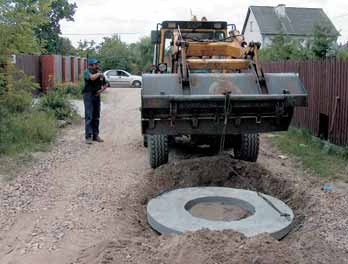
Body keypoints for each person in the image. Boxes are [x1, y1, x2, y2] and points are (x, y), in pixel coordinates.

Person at [83, 58, 107, 144]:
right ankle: (88, 137)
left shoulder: (100, 73)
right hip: (88, 95)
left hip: (97, 96)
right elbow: (92, 78)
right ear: (90, 65)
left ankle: (95, 135)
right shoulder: (86, 72)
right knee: (89, 116)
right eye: (95, 64)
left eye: (97, 64)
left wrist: (100, 91)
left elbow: (106, 84)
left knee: (96, 116)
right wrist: (99, 74)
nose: (97, 66)